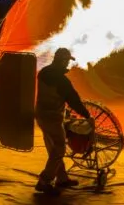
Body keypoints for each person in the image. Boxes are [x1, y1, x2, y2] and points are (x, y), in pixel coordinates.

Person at [34, 47, 94, 196]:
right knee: (59, 148)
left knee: (54, 150)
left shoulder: (44, 73)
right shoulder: (61, 81)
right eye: (67, 61)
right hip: (53, 118)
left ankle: (61, 178)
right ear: (62, 61)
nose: (68, 64)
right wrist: (87, 115)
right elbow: (74, 100)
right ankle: (44, 181)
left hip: (41, 115)